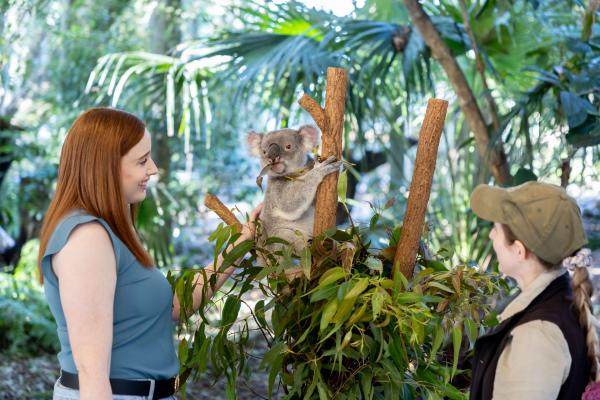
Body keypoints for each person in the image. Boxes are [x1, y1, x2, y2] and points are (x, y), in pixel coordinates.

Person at [37, 107, 262, 400]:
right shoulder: (86, 238)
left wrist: (239, 246)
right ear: (105, 166)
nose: (153, 168)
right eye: (142, 160)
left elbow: (173, 305)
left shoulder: (112, 230)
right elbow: (92, 373)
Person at [468, 181, 598, 400]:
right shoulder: (562, 300)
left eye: (496, 229)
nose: (491, 236)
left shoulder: (536, 337)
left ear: (519, 250)